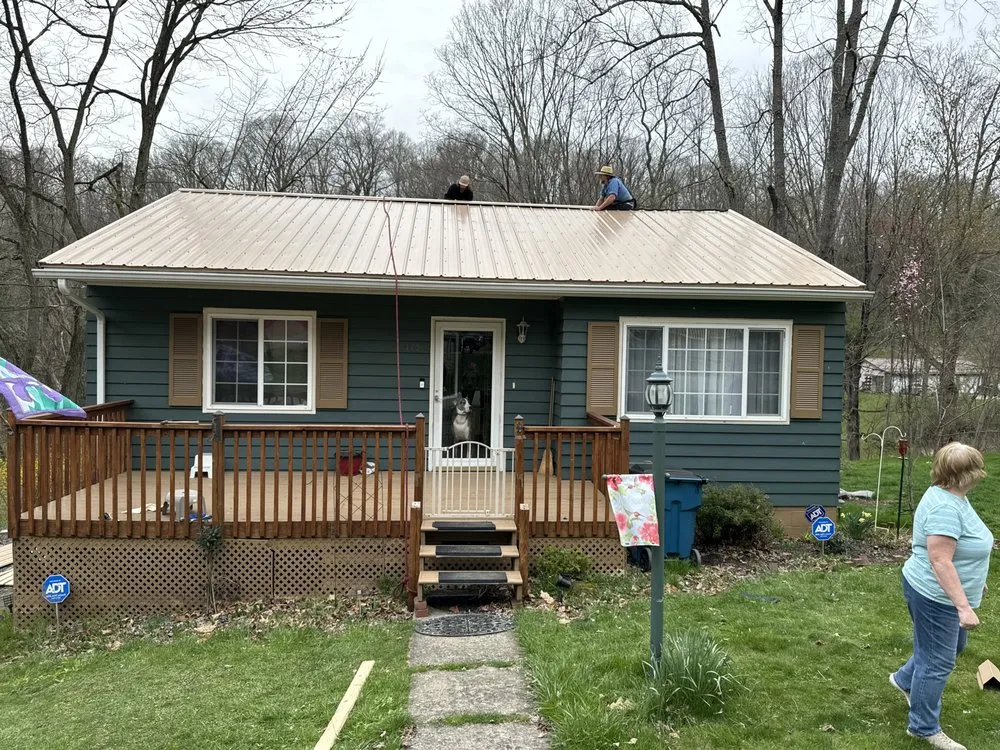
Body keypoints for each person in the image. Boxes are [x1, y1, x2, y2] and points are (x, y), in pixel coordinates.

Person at [889, 442, 993, 750]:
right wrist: (963, 605)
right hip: (935, 597)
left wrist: (976, 581)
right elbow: (940, 560)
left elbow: (960, 550)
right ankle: (923, 727)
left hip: (942, 592)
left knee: (951, 647)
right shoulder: (945, 507)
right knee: (937, 662)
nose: (981, 474)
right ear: (964, 474)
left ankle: (905, 680)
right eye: (976, 468)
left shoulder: (950, 495)